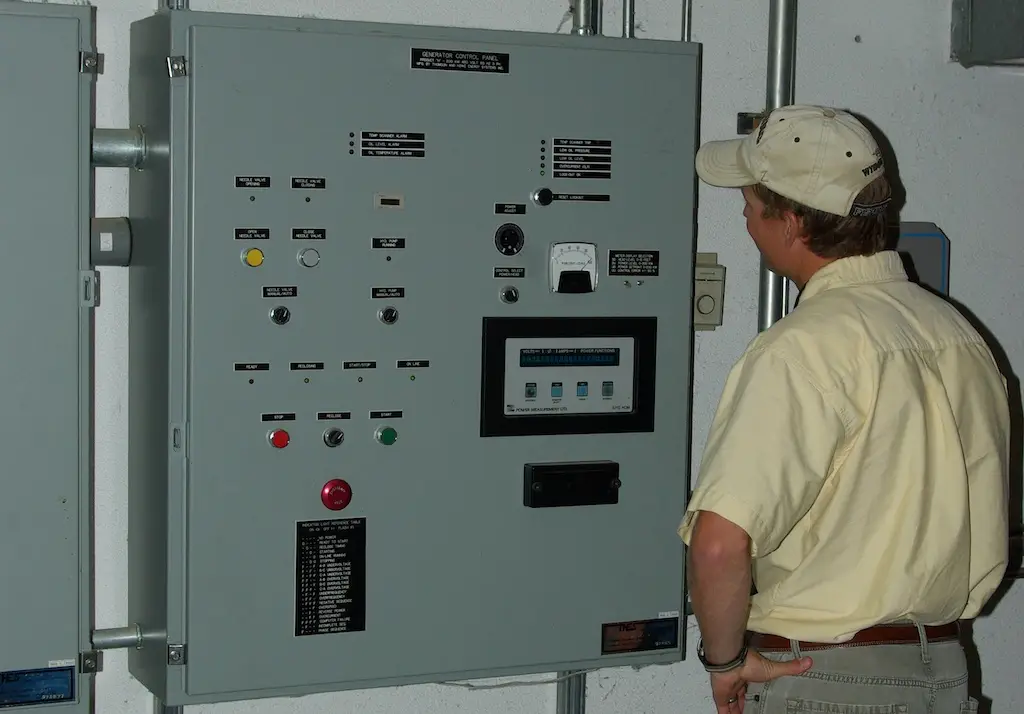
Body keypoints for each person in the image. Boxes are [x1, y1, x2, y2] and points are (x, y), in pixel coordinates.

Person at [678, 104, 1011, 714]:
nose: (744, 217)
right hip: (943, 675)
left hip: (823, 679)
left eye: (750, 203)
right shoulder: (959, 336)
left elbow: (720, 545)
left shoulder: (798, 350)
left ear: (792, 223)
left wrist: (725, 662)